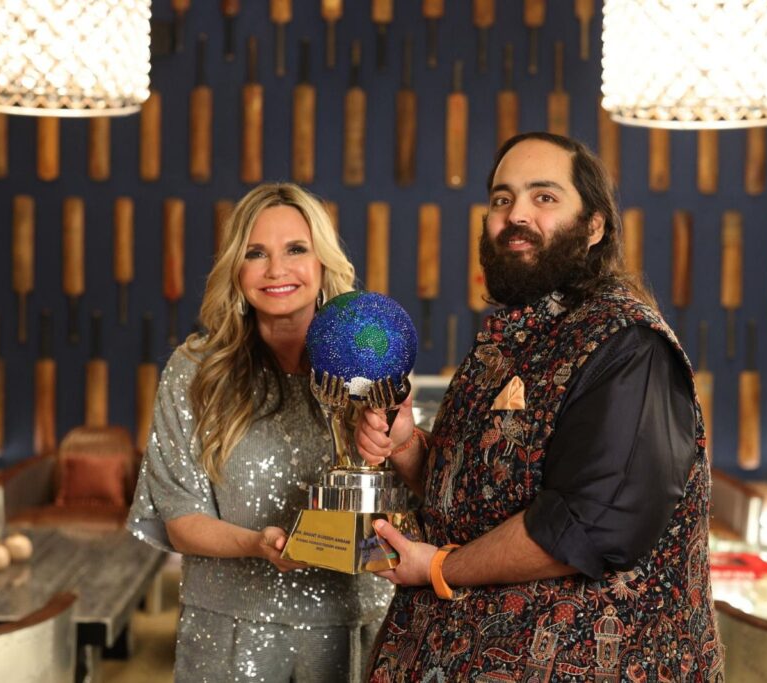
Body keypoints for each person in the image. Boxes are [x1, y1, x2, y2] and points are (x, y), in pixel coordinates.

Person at [356, 132, 725, 681]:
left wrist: (438, 566)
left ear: (594, 226)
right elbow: (476, 496)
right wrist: (407, 444)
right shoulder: (510, 339)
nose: (516, 215)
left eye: (544, 197)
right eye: (502, 199)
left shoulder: (628, 345)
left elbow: (587, 526)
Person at [130, 183, 393, 683]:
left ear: (323, 262)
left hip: (352, 624)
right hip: (228, 634)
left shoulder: (367, 362)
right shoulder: (195, 370)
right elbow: (181, 517)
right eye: (256, 253)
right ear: (236, 268)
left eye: (296, 249)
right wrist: (257, 543)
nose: (276, 270)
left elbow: (406, 493)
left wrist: (395, 439)